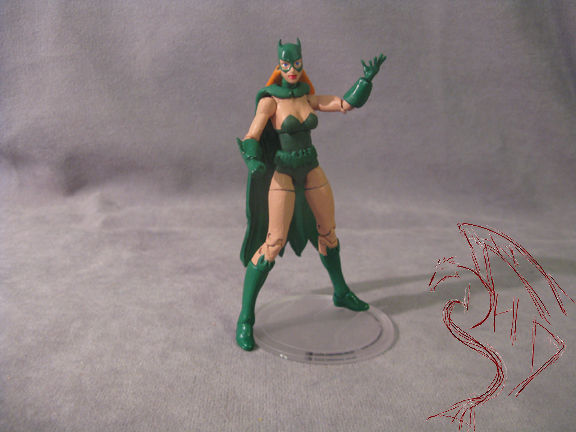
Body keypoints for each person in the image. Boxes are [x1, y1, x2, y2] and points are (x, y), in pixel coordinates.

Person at [236, 39, 386, 351]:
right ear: (279, 65)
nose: (292, 70)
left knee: (328, 233)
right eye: (286, 64)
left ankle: (341, 292)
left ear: (302, 62)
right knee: (273, 243)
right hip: (283, 172)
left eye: (297, 63)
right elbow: (252, 135)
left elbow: (344, 104)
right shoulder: (270, 101)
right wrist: (251, 158)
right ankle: (246, 318)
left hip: (311, 169)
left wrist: (365, 81)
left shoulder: (307, 96)